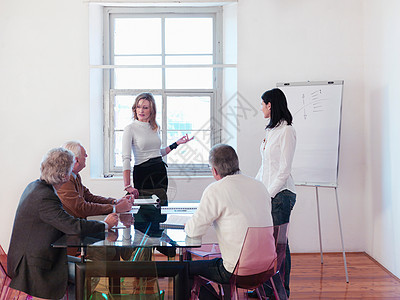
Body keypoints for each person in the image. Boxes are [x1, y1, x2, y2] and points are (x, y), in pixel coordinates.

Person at [7, 148, 118, 300]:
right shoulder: (44, 197)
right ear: (65, 176)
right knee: (91, 271)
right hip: (33, 266)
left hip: (36, 257)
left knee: (89, 269)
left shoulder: (36, 187)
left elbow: (65, 222)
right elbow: (72, 226)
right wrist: (105, 225)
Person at [185, 144, 273, 297]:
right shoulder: (260, 186)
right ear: (236, 163)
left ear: (214, 170)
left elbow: (194, 231)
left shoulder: (215, 189)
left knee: (184, 270)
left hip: (237, 270)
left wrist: (188, 225)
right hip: (268, 267)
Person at [255, 88, 297, 298]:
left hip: (281, 195)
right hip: (270, 194)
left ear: (270, 105)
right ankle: (266, 288)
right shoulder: (271, 130)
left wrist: (268, 194)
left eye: (262, 103)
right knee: (268, 245)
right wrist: (254, 188)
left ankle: (281, 292)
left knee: (279, 246)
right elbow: (265, 167)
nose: (261, 107)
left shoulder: (287, 131)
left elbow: (284, 170)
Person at [122, 92, 193, 197]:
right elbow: (126, 158)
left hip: (159, 172)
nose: (141, 110)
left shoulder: (155, 127)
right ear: (135, 109)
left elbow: (157, 153)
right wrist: (127, 185)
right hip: (143, 173)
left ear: (151, 110)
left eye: (145, 107)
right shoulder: (130, 128)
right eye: (138, 107)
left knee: (161, 209)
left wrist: (176, 144)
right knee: (144, 210)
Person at [57, 141, 133, 219]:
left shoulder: (75, 175)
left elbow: (89, 197)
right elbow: (80, 208)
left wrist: (115, 202)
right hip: (70, 228)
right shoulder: (64, 179)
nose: (86, 156)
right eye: (84, 154)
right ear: (76, 160)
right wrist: (115, 208)